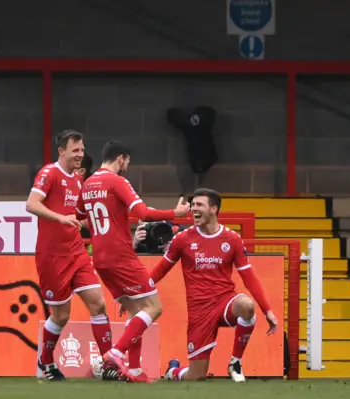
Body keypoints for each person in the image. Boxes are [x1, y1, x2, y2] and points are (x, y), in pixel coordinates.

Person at [77, 140, 190, 382]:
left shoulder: (87, 185)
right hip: (121, 255)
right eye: (127, 161)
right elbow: (144, 213)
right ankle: (116, 353)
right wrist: (176, 213)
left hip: (100, 258)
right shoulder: (117, 181)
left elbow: (81, 218)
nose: (127, 166)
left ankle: (136, 370)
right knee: (154, 307)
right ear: (121, 158)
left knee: (136, 309)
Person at [145, 188, 279, 382]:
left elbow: (249, 276)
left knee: (247, 306)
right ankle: (173, 371)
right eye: (193, 205)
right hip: (199, 311)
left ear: (214, 209)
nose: (193, 209)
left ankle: (235, 362)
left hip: (225, 301)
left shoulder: (232, 239)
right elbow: (160, 270)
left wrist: (268, 310)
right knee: (196, 376)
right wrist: (137, 293)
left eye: (199, 205)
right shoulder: (182, 239)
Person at [26, 130, 113, 381]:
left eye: (82, 150)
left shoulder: (77, 180)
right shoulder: (49, 173)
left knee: (98, 303)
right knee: (62, 315)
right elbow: (31, 204)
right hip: (52, 256)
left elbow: (78, 218)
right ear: (61, 151)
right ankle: (45, 362)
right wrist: (61, 218)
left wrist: (99, 225)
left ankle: (109, 363)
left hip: (76, 252)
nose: (80, 155)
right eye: (75, 150)